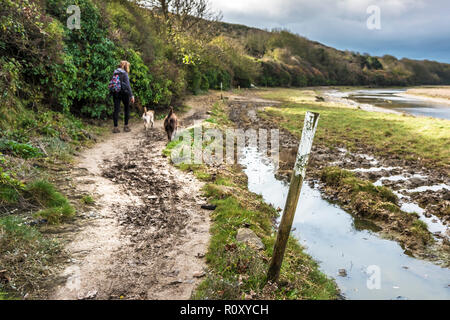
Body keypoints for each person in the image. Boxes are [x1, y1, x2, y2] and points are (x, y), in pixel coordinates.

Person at [112, 61, 135, 133]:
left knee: (116, 110)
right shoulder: (125, 74)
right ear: (126, 67)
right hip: (124, 93)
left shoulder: (115, 72)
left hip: (116, 92)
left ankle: (115, 127)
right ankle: (126, 127)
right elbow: (128, 85)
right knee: (126, 109)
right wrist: (131, 95)